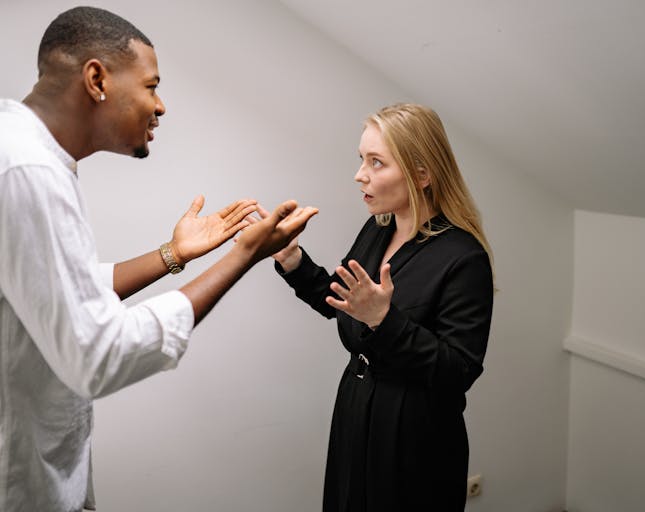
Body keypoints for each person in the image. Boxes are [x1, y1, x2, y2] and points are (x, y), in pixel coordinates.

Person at [0, 7, 317, 511]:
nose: (161, 105)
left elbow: (62, 289)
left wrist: (175, 255)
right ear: (97, 78)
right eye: (151, 86)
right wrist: (244, 255)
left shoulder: (21, 151)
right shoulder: (27, 170)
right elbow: (97, 355)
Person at [259, 103, 494, 511]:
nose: (359, 174)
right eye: (361, 160)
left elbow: (459, 371)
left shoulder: (463, 257)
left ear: (422, 174)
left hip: (416, 435)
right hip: (356, 409)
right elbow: (342, 301)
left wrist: (384, 320)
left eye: (376, 162)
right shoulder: (378, 228)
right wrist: (292, 259)